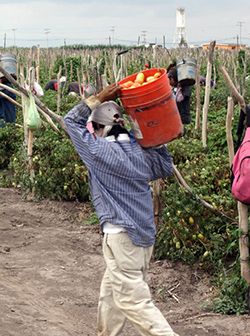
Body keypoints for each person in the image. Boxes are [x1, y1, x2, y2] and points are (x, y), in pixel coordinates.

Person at [64, 84, 179, 336]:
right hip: (144, 236)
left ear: (98, 128)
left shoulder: (98, 151)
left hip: (121, 235)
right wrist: (151, 134)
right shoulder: (141, 153)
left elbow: (70, 121)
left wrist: (99, 97)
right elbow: (165, 166)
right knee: (112, 292)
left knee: (133, 301)